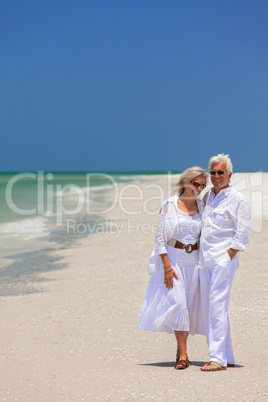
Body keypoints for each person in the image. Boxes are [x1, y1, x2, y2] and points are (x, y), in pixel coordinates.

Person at [138, 167, 208, 369]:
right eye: (196, 184)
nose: (199, 188)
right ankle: (184, 356)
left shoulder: (204, 206)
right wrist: (166, 267)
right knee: (178, 304)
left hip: (194, 262)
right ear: (186, 182)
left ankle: (180, 349)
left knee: (189, 307)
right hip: (174, 261)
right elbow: (160, 238)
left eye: (202, 185)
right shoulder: (169, 205)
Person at [198, 154, 250, 372]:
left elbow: (242, 234)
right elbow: (190, 209)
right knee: (211, 307)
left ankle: (217, 359)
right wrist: (168, 207)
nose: (216, 176)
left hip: (222, 259)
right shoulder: (207, 196)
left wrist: (228, 256)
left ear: (229, 174)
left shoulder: (238, 199)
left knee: (216, 307)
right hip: (204, 259)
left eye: (220, 172)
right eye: (213, 172)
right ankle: (226, 356)